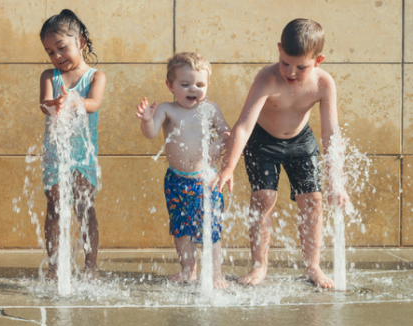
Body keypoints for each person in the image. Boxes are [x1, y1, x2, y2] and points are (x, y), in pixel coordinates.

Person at [211, 19, 350, 288]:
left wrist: (337, 180)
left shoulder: (324, 84)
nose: (291, 72)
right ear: (278, 50)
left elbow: (331, 132)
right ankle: (260, 265)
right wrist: (228, 167)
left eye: (302, 67)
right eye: (285, 62)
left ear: (318, 60)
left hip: (301, 140)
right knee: (264, 197)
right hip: (263, 140)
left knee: (313, 199)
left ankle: (313, 266)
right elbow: (243, 126)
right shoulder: (267, 78)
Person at [137, 52, 230, 289]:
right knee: (181, 230)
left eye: (200, 84)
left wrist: (218, 145)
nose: (193, 89)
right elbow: (150, 133)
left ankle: (216, 274)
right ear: (170, 85)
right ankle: (189, 270)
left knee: (211, 229)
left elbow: (225, 133)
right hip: (177, 180)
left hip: (206, 180)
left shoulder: (210, 109)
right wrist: (147, 120)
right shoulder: (167, 109)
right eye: (185, 84)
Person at [38, 9, 106, 281]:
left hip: (83, 153)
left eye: (61, 48)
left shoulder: (96, 76)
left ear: (81, 42)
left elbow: (94, 104)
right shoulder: (48, 76)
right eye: (50, 51)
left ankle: (91, 268)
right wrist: (52, 104)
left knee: (84, 206)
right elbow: (44, 104)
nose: (56, 57)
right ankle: (55, 269)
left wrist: (74, 101)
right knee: (54, 206)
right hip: (56, 153)